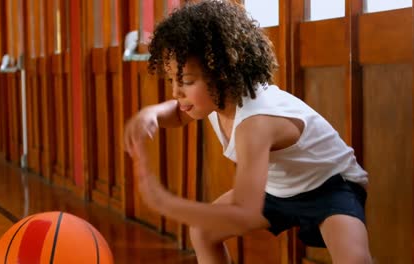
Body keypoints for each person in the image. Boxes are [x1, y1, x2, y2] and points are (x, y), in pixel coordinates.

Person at [124, 1, 372, 263]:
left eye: (186, 81)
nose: (176, 91)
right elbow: (177, 111)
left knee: (354, 259)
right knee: (203, 231)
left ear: (222, 74)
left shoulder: (256, 121)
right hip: (276, 189)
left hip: (329, 186)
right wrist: (151, 114)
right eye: (172, 79)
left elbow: (244, 213)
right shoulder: (215, 99)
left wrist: (164, 202)